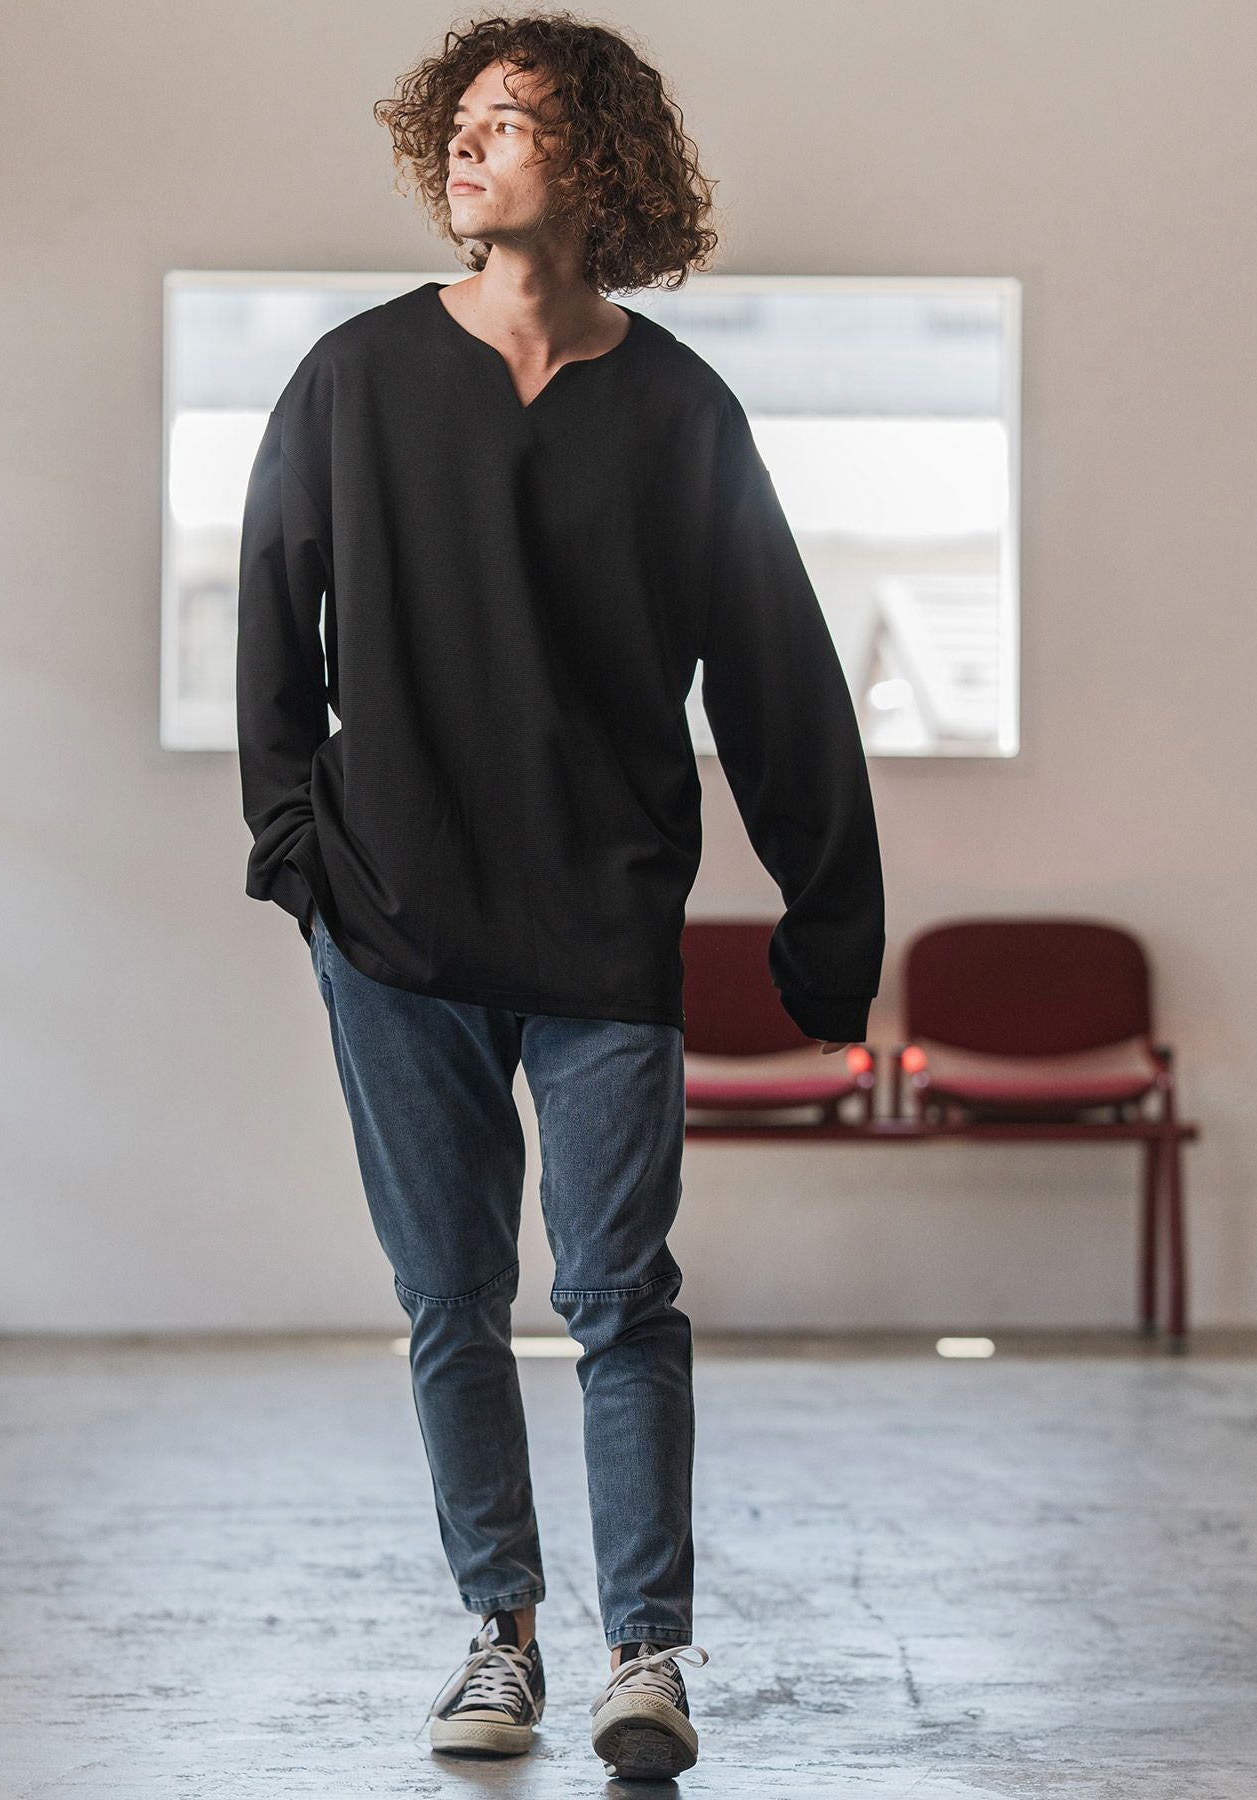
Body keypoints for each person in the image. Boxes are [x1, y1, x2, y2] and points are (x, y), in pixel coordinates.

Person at [236, 14, 885, 1781]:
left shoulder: (679, 410)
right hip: (393, 928)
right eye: (457, 119)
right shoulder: (353, 382)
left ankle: (644, 1654)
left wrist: (831, 925)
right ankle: (501, 1637)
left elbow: (779, 676)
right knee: (450, 1295)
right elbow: (272, 625)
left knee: (619, 1295)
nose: (468, 143)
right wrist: (295, 851)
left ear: (594, 161)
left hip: (603, 926)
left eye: (510, 120)